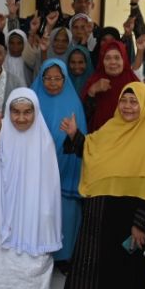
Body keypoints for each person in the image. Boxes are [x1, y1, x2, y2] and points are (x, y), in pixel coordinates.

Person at [60, 83, 145, 289]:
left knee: (122, 265)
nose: (127, 107)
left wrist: (140, 224)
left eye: (134, 102)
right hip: (101, 206)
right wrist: (75, 135)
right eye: (124, 101)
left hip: (129, 214)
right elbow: (92, 150)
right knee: (95, 257)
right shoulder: (111, 127)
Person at [0, 89, 62, 289]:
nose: (21, 118)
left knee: (35, 252)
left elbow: (51, 183)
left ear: (35, 112)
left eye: (27, 113)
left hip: (34, 207)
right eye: (15, 112)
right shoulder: (0, 134)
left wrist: (46, 213)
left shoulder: (44, 140)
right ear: (7, 112)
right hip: (2, 206)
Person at [32, 59, 86, 272]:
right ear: (41, 79)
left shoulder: (73, 102)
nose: (52, 83)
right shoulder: (32, 99)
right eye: (48, 78)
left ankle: (64, 257)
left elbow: (81, 137)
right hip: (37, 166)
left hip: (66, 163)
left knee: (66, 210)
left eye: (57, 78)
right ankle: (39, 251)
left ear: (65, 80)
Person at [82, 38, 139, 132]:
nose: (112, 62)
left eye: (117, 58)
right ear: (102, 61)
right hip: (99, 138)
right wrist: (92, 91)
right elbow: (84, 116)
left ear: (124, 59)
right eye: (107, 58)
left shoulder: (134, 83)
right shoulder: (94, 81)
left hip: (128, 137)